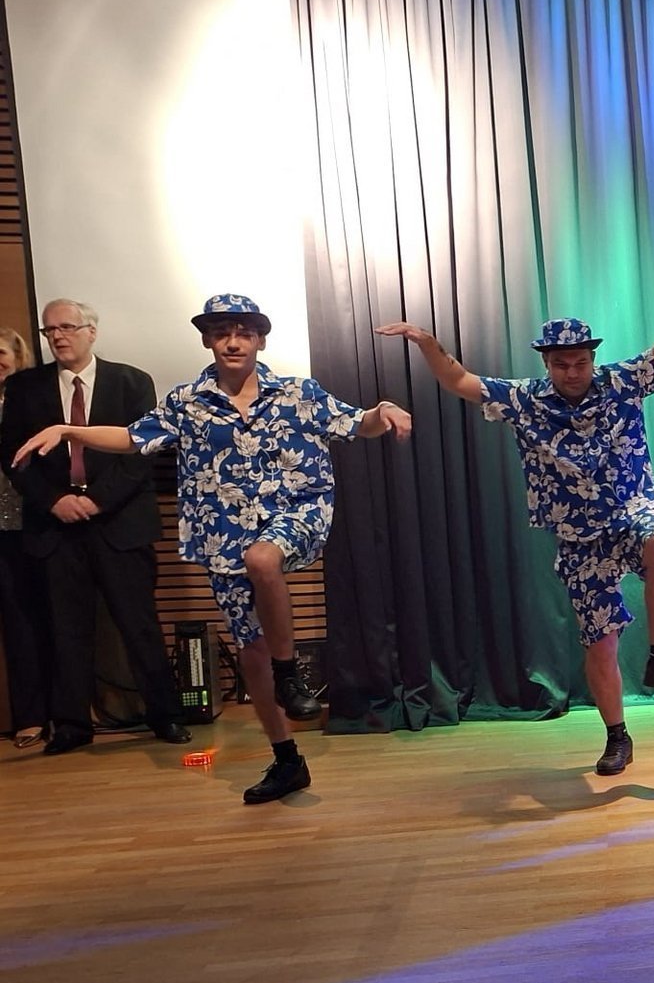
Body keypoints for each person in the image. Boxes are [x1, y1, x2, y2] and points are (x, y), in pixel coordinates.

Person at [13, 296, 413, 801]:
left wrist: (383, 410)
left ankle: (290, 676)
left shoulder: (298, 393)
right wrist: (69, 429)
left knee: (263, 557)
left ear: (260, 340)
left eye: (244, 332)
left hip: (297, 511)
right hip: (221, 532)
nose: (233, 341)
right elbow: (132, 438)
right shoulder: (188, 401)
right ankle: (287, 759)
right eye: (222, 332)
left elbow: (358, 424)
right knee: (252, 650)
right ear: (207, 340)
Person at [378, 269, 654, 775]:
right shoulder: (525, 399)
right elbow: (459, 380)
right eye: (561, 364)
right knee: (600, 643)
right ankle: (617, 736)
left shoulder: (621, 383)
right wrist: (426, 342)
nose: (573, 373)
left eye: (580, 363)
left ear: (592, 358)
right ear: (546, 363)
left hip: (630, 511)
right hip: (578, 538)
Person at [0, 299, 188, 753]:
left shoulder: (132, 381)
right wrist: (55, 500)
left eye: (67, 327)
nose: (59, 337)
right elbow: (13, 456)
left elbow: (142, 451)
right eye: (50, 331)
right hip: (55, 525)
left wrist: (96, 500)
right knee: (66, 630)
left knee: (139, 625)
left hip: (120, 522)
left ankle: (165, 715)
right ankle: (71, 726)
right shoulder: (25, 387)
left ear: (91, 331)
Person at [0, 325, 53, 746]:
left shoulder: (34, 397)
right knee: (15, 623)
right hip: (1, 529)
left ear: (18, 358)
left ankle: (61, 712)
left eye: (1, 353)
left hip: (36, 519)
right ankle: (30, 715)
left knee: (48, 618)